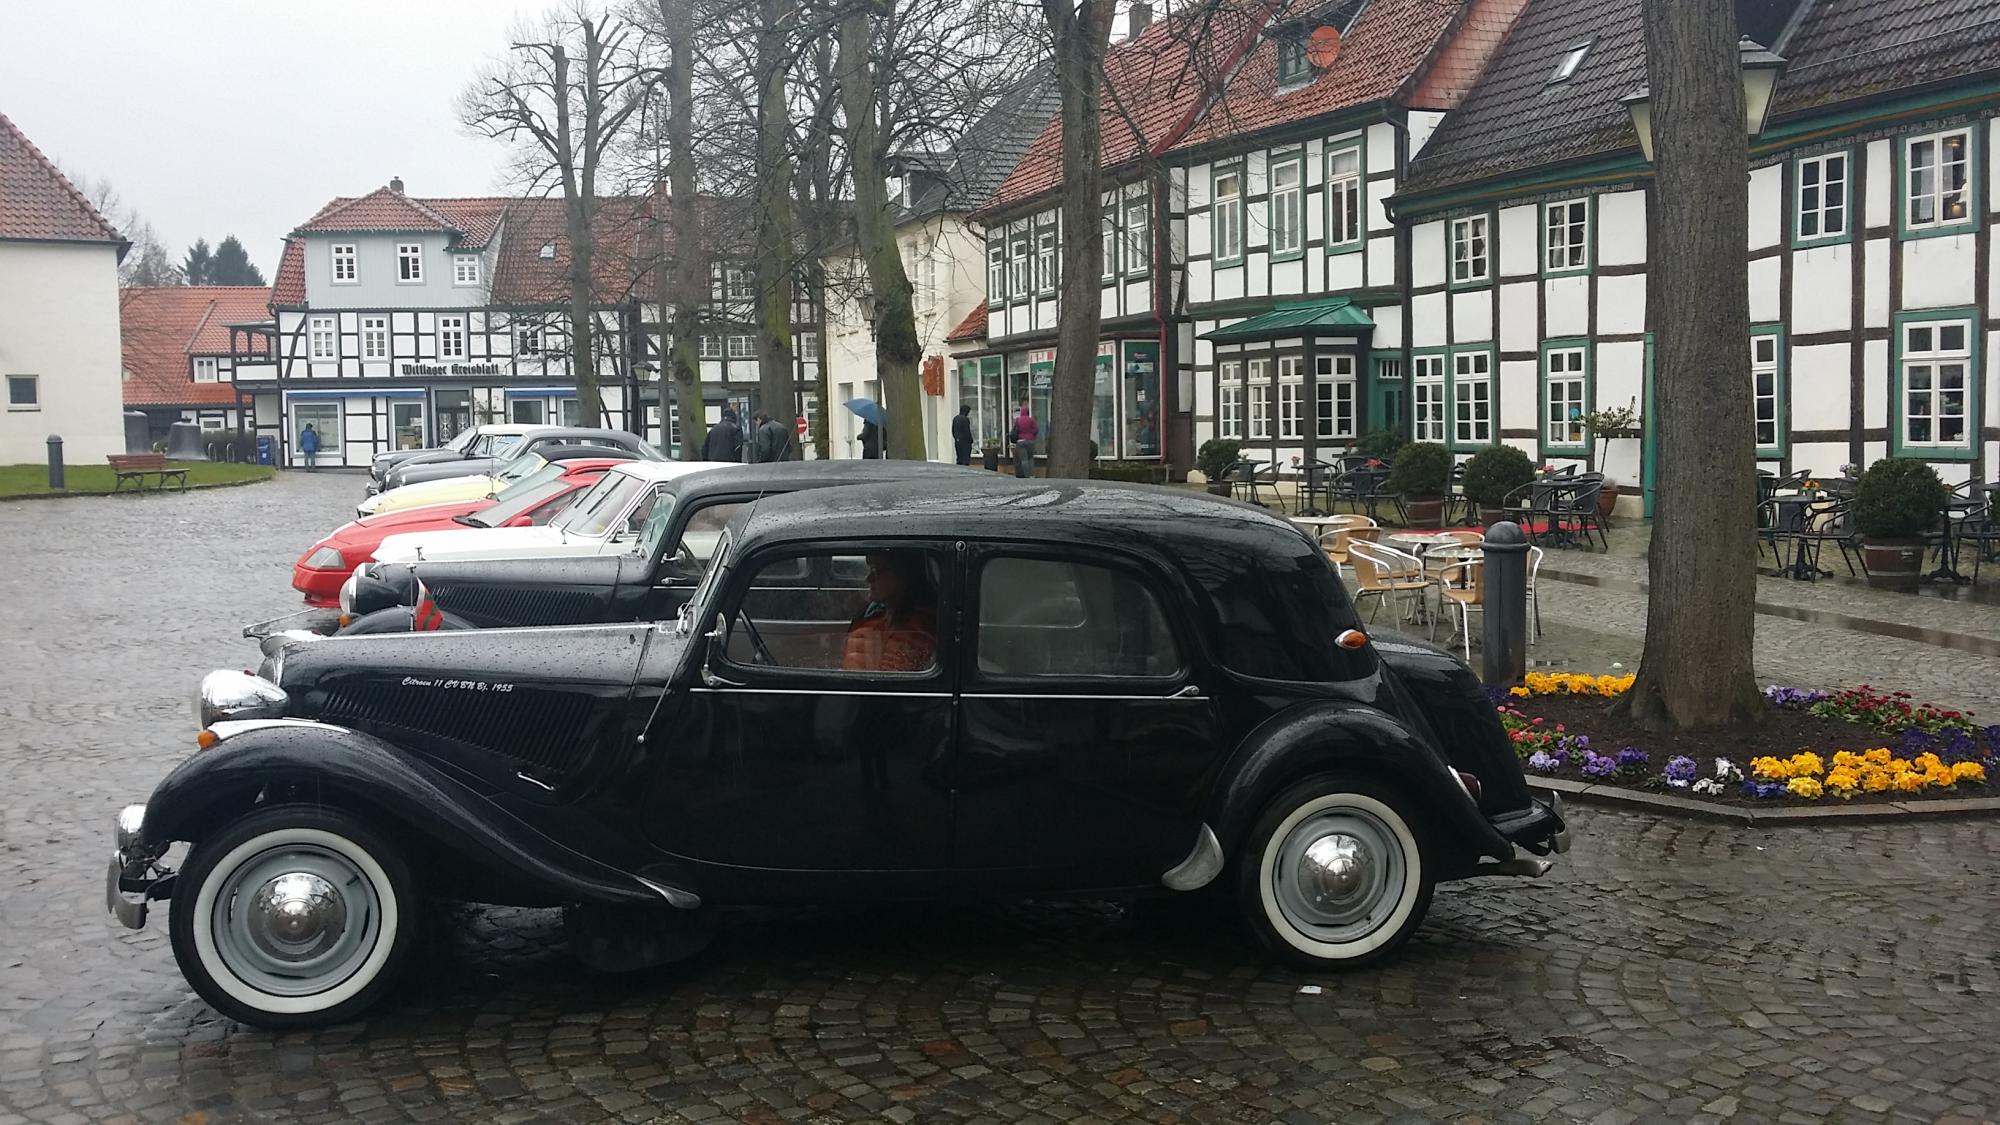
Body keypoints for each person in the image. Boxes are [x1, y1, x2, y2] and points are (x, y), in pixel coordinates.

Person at [841, 552, 937, 672]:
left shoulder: (918, 629)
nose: (869, 578)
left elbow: (892, 676)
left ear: (904, 575)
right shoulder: (874, 615)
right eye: (871, 570)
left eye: (879, 570)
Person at [1010, 398, 1037, 478]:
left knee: (1024, 460)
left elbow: (1015, 431)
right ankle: (1032, 475)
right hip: (1030, 441)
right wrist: (1032, 436)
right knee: (1030, 458)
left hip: (1021, 441)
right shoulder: (1031, 420)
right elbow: (1036, 430)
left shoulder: (1018, 420)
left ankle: (1026, 476)